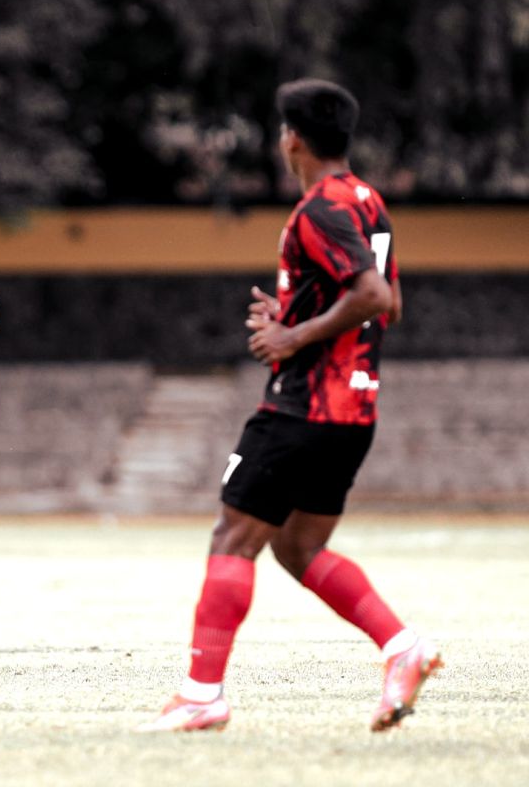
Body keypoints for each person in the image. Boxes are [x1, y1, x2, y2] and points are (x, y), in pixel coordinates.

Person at [140, 79, 440, 732]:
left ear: (292, 139)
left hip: (304, 406)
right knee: (298, 547)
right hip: (354, 412)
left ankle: (201, 695)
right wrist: (297, 312)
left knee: (234, 536)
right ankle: (402, 646)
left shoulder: (320, 209)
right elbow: (387, 301)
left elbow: (368, 295)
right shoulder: (370, 203)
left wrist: (290, 335)